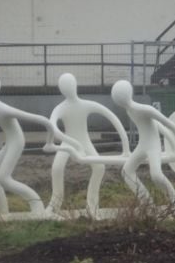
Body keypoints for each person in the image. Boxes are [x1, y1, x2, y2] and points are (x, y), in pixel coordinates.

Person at [0, 74, 81, 217]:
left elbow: (44, 121)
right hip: (9, 143)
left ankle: (36, 203)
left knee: (4, 178)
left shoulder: (3, 109)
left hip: (17, 143)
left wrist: (50, 141)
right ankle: (2, 211)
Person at [46, 72, 131, 217]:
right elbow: (52, 127)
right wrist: (69, 143)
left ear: (75, 85)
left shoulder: (85, 105)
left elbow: (112, 117)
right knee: (57, 168)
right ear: (61, 90)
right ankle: (54, 206)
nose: (69, 89)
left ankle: (92, 206)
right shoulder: (60, 108)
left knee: (99, 167)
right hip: (68, 142)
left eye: (70, 85)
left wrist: (126, 147)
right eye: (65, 87)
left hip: (83, 141)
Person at [110, 79, 175, 206]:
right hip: (143, 145)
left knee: (156, 175)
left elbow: (171, 126)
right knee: (126, 171)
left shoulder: (146, 109)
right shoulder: (129, 110)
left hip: (153, 146)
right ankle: (147, 204)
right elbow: (154, 125)